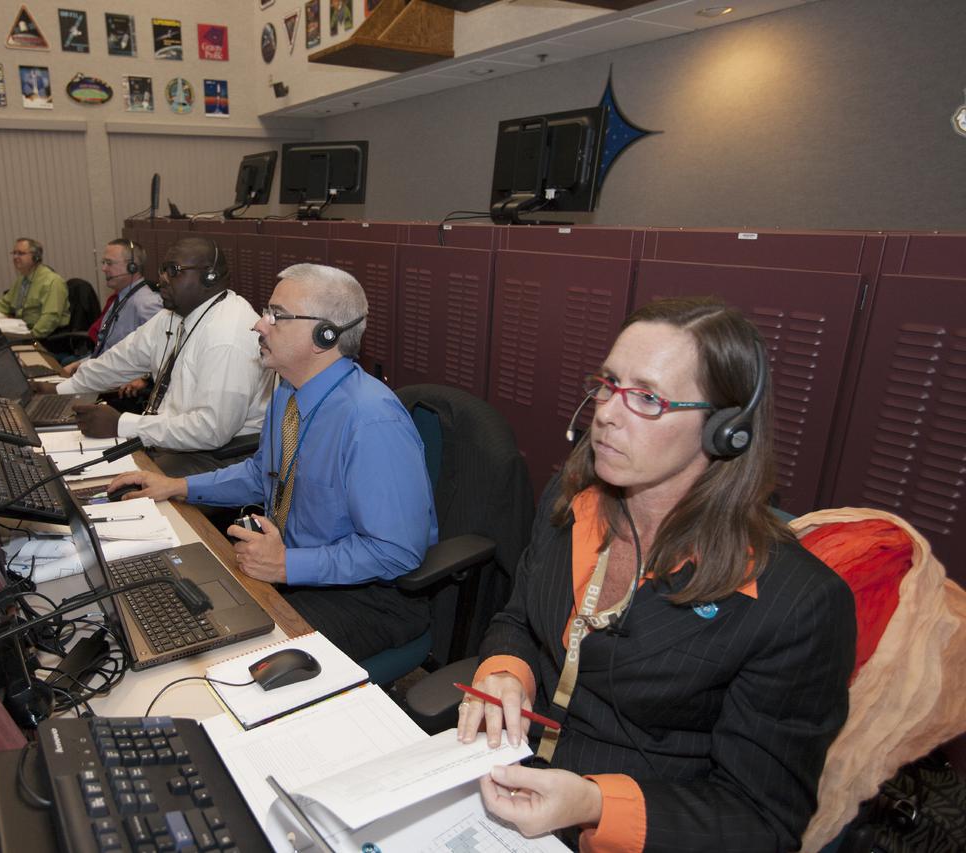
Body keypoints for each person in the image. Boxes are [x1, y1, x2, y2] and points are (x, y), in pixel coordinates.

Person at [458, 296, 856, 852]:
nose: (606, 413)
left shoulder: (797, 605)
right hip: (503, 776)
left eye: (646, 397)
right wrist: (506, 671)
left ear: (725, 430)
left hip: (636, 827)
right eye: (608, 383)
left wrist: (594, 804)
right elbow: (520, 617)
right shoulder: (571, 502)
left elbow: (761, 821)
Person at [103, 263, 438, 660]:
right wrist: (179, 487)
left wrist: (286, 565)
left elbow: (396, 552)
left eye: (276, 316)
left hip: (367, 596)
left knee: (224, 656)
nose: (259, 325)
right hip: (290, 570)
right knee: (172, 604)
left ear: (323, 335)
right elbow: (263, 472)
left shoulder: (371, 421)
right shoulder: (288, 393)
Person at [47, 236, 270, 477]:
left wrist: (121, 424)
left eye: (173, 270)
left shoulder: (228, 336)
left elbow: (212, 429)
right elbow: (121, 359)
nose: (162, 279)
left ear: (210, 276)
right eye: (162, 270)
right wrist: (61, 390)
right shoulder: (173, 316)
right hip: (173, 441)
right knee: (79, 468)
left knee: (117, 486)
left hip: (220, 457)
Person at [58, 238, 162, 381]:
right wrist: (81, 363)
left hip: (116, 384)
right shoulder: (122, 297)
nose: (104, 269)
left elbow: (163, 351)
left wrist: (144, 378)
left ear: (132, 267)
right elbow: (107, 351)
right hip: (103, 374)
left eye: (109, 263)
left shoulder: (146, 303)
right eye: (103, 263)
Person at [0, 237, 70, 337]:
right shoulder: (22, 279)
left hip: (46, 336)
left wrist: (29, 338)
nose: (15, 257)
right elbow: (5, 304)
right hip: (24, 329)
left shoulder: (52, 282)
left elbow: (50, 318)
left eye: (21, 253)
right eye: (14, 253)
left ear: (36, 257)